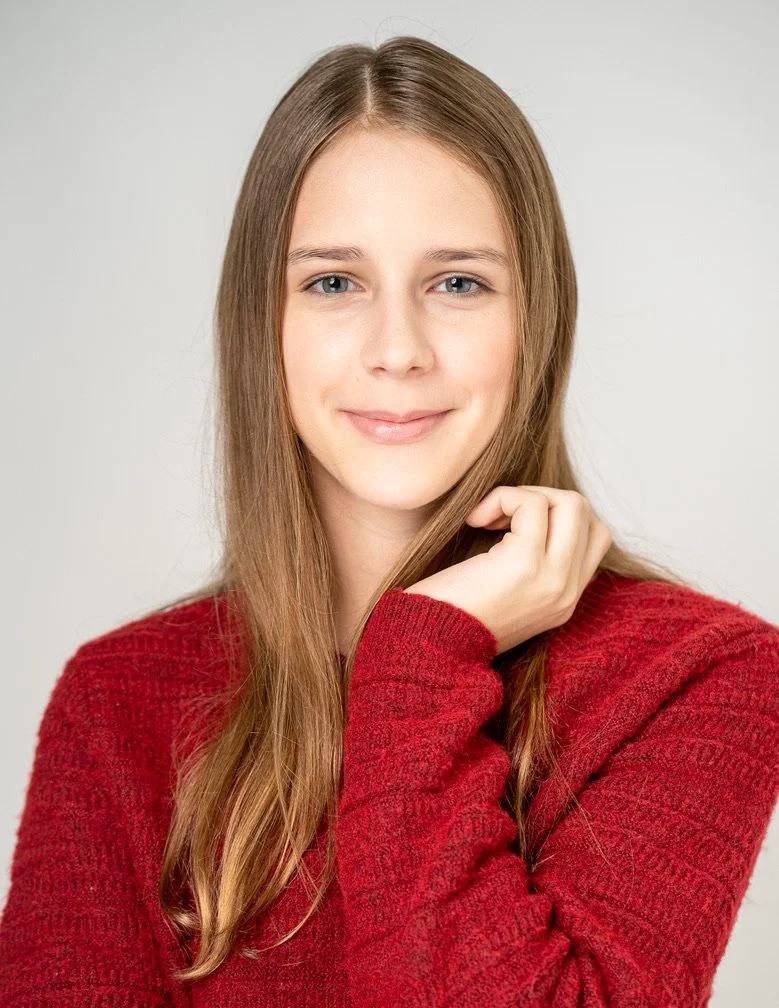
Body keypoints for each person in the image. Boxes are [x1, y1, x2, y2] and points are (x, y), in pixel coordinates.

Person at [1, 34, 777, 1008]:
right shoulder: (119, 702)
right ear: (262, 323)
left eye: (458, 282)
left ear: (534, 318)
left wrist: (418, 651)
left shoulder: (694, 674)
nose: (396, 349)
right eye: (333, 282)